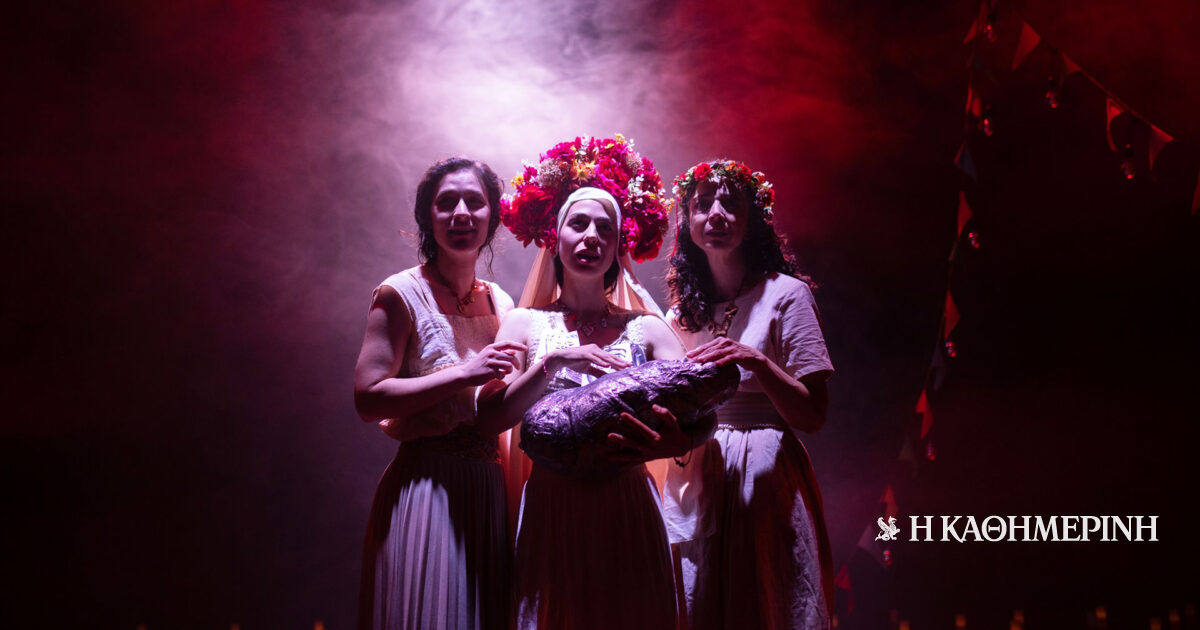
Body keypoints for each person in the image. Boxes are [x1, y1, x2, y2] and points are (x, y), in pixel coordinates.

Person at [477, 186, 698, 630]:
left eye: (605, 229)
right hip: (553, 507)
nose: (591, 237)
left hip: (628, 504)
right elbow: (490, 418)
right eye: (578, 224)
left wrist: (679, 441)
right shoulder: (524, 323)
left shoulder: (647, 329)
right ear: (556, 239)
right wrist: (553, 362)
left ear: (617, 248)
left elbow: (699, 408)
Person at [663, 160, 835, 630]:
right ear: (688, 220)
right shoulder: (680, 313)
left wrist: (756, 361)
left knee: (766, 598)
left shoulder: (787, 294)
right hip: (698, 468)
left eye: (730, 203)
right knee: (701, 603)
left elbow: (813, 415)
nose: (716, 214)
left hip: (765, 467)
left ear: (752, 217)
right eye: (703, 204)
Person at [353, 157, 524, 630]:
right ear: (427, 216)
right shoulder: (400, 292)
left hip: (487, 488)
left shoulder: (502, 302)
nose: (461, 213)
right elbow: (368, 397)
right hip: (427, 484)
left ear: (493, 216)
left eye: (474, 202)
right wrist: (463, 374)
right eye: (446, 203)